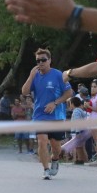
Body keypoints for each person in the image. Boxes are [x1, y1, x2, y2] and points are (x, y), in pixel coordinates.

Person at [21, 48, 72, 180]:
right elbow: (24, 91)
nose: (41, 62)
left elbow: (69, 93)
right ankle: (46, 169)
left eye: (43, 60)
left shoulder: (58, 75)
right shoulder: (35, 75)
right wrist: (31, 75)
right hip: (40, 115)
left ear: (49, 60)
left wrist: (55, 103)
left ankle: (55, 159)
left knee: (56, 146)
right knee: (42, 141)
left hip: (56, 116)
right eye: (38, 60)